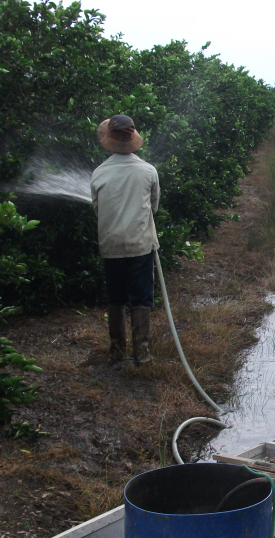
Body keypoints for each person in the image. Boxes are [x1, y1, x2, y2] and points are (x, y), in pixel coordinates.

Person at [90, 115, 160, 365]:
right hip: (140, 245)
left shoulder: (99, 173)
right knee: (141, 299)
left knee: (116, 298)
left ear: (108, 140)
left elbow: (97, 210)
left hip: (111, 247)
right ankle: (142, 354)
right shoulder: (148, 171)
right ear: (133, 139)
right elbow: (154, 207)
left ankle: (117, 350)